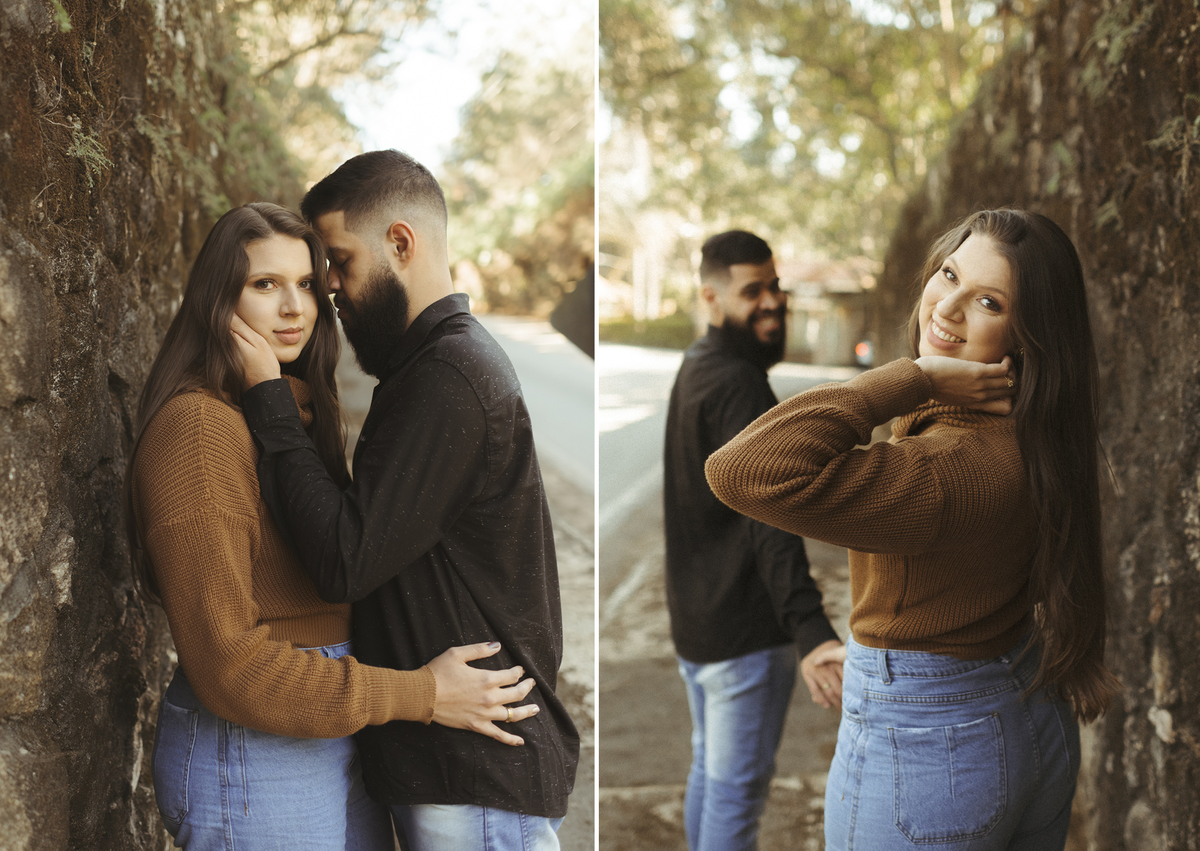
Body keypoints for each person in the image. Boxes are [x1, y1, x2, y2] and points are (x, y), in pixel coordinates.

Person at [125, 202, 537, 849]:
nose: (294, 306)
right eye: (264, 284)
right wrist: (422, 693)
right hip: (254, 750)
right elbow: (229, 664)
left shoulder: (282, 412)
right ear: (217, 300)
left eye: (307, 284)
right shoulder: (198, 429)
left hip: (329, 733)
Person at [706, 209, 1122, 850]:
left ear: (1027, 334)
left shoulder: (957, 466)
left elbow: (742, 471)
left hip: (936, 743)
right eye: (948, 275)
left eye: (987, 301)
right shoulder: (1033, 428)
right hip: (1026, 704)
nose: (947, 309)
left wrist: (911, 377)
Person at [231, 151, 578, 851]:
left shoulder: (448, 374)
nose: (328, 289)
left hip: (474, 774)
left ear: (399, 243)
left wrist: (268, 397)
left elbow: (344, 557)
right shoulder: (432, 366)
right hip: (455, 766)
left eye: (337, 262)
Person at [663, 230, 841, 851]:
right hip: (743, 635)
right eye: (751, 291)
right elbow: (771, 518)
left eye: (774, 286)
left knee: (712, 779)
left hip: (701, 629)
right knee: (733, 799)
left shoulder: (699, 366)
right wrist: (810, 627)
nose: (771, 302)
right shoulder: (738, 385)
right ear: (711, 299)